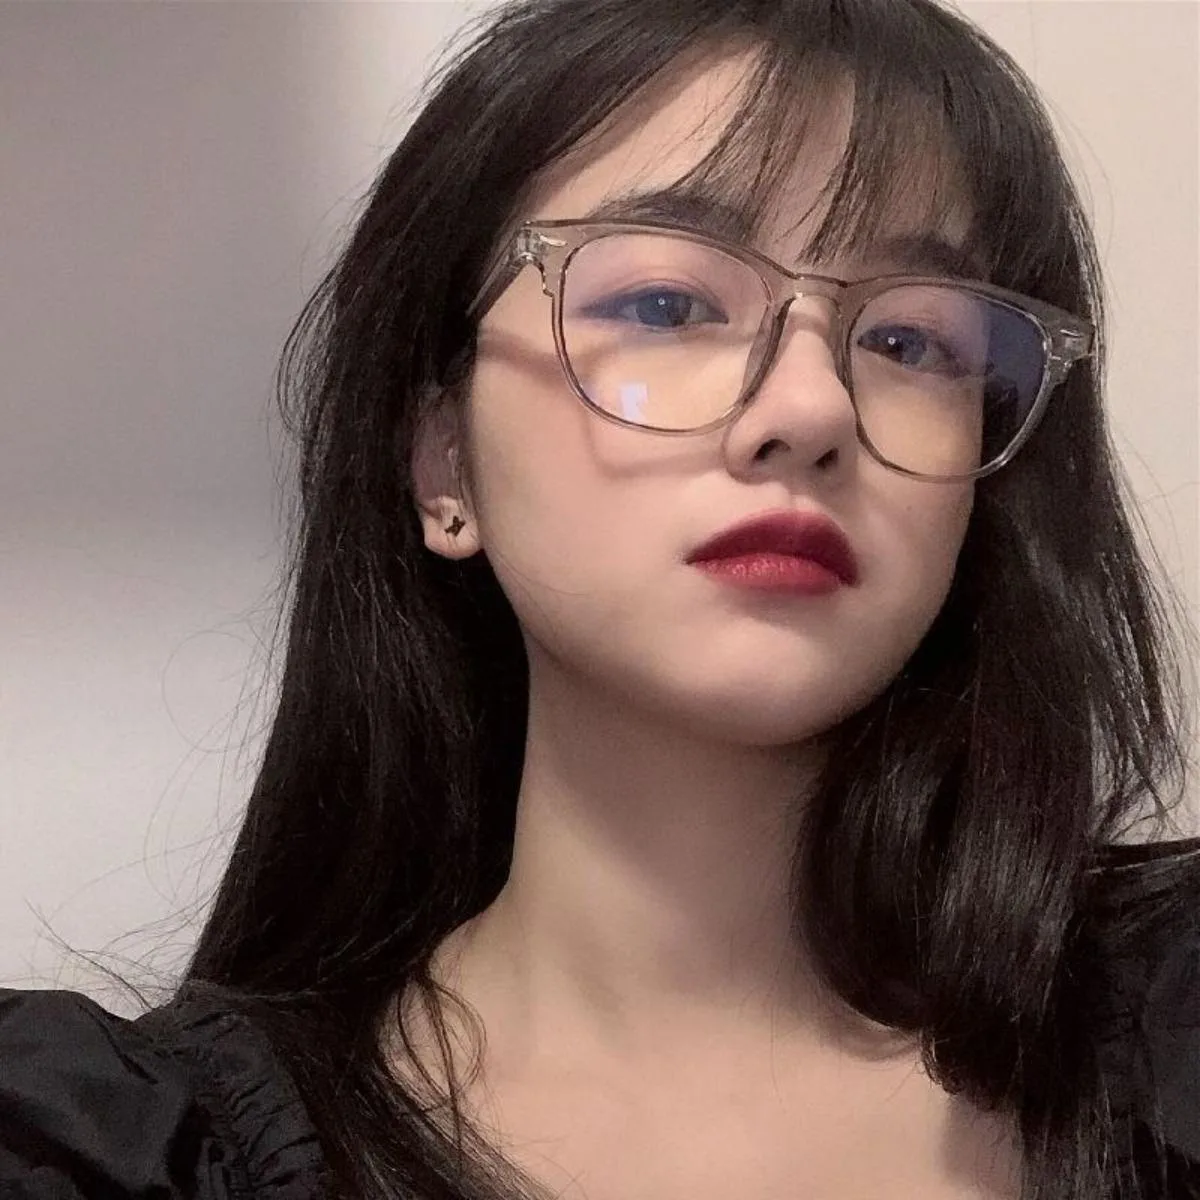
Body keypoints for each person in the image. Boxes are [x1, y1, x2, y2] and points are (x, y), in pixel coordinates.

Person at [2, 0, 1198, 1196]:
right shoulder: (130, 1155)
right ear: (442, 460)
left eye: (912, 343)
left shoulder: (1169, 1034)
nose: (811, 410)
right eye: (667, 305)